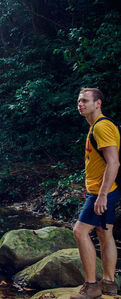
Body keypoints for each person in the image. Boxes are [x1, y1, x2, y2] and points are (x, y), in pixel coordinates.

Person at [71, 88, 120, 299]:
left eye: (84, 101)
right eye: (79, 101)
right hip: (103, 190)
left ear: (98, 103)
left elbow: (114, 161)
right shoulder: (96, 127)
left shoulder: (102, 127)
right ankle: (109, 283)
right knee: (104, 233)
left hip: (104, 191)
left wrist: (100, 195)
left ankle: (91, 287)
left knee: (80, 232)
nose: (80, 104)